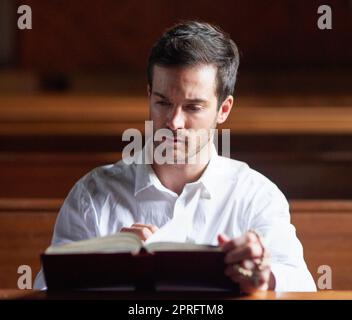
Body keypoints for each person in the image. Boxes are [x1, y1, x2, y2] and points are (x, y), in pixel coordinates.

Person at [34, 21, 316, 292]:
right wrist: (104, 262)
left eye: (193, 107)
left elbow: (303, 286)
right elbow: (44, 290)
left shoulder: (256, 195)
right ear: (149, 96)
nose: (174, 122)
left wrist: (266, 279)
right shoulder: (92, 195)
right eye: (162, 103)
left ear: (224, 109)